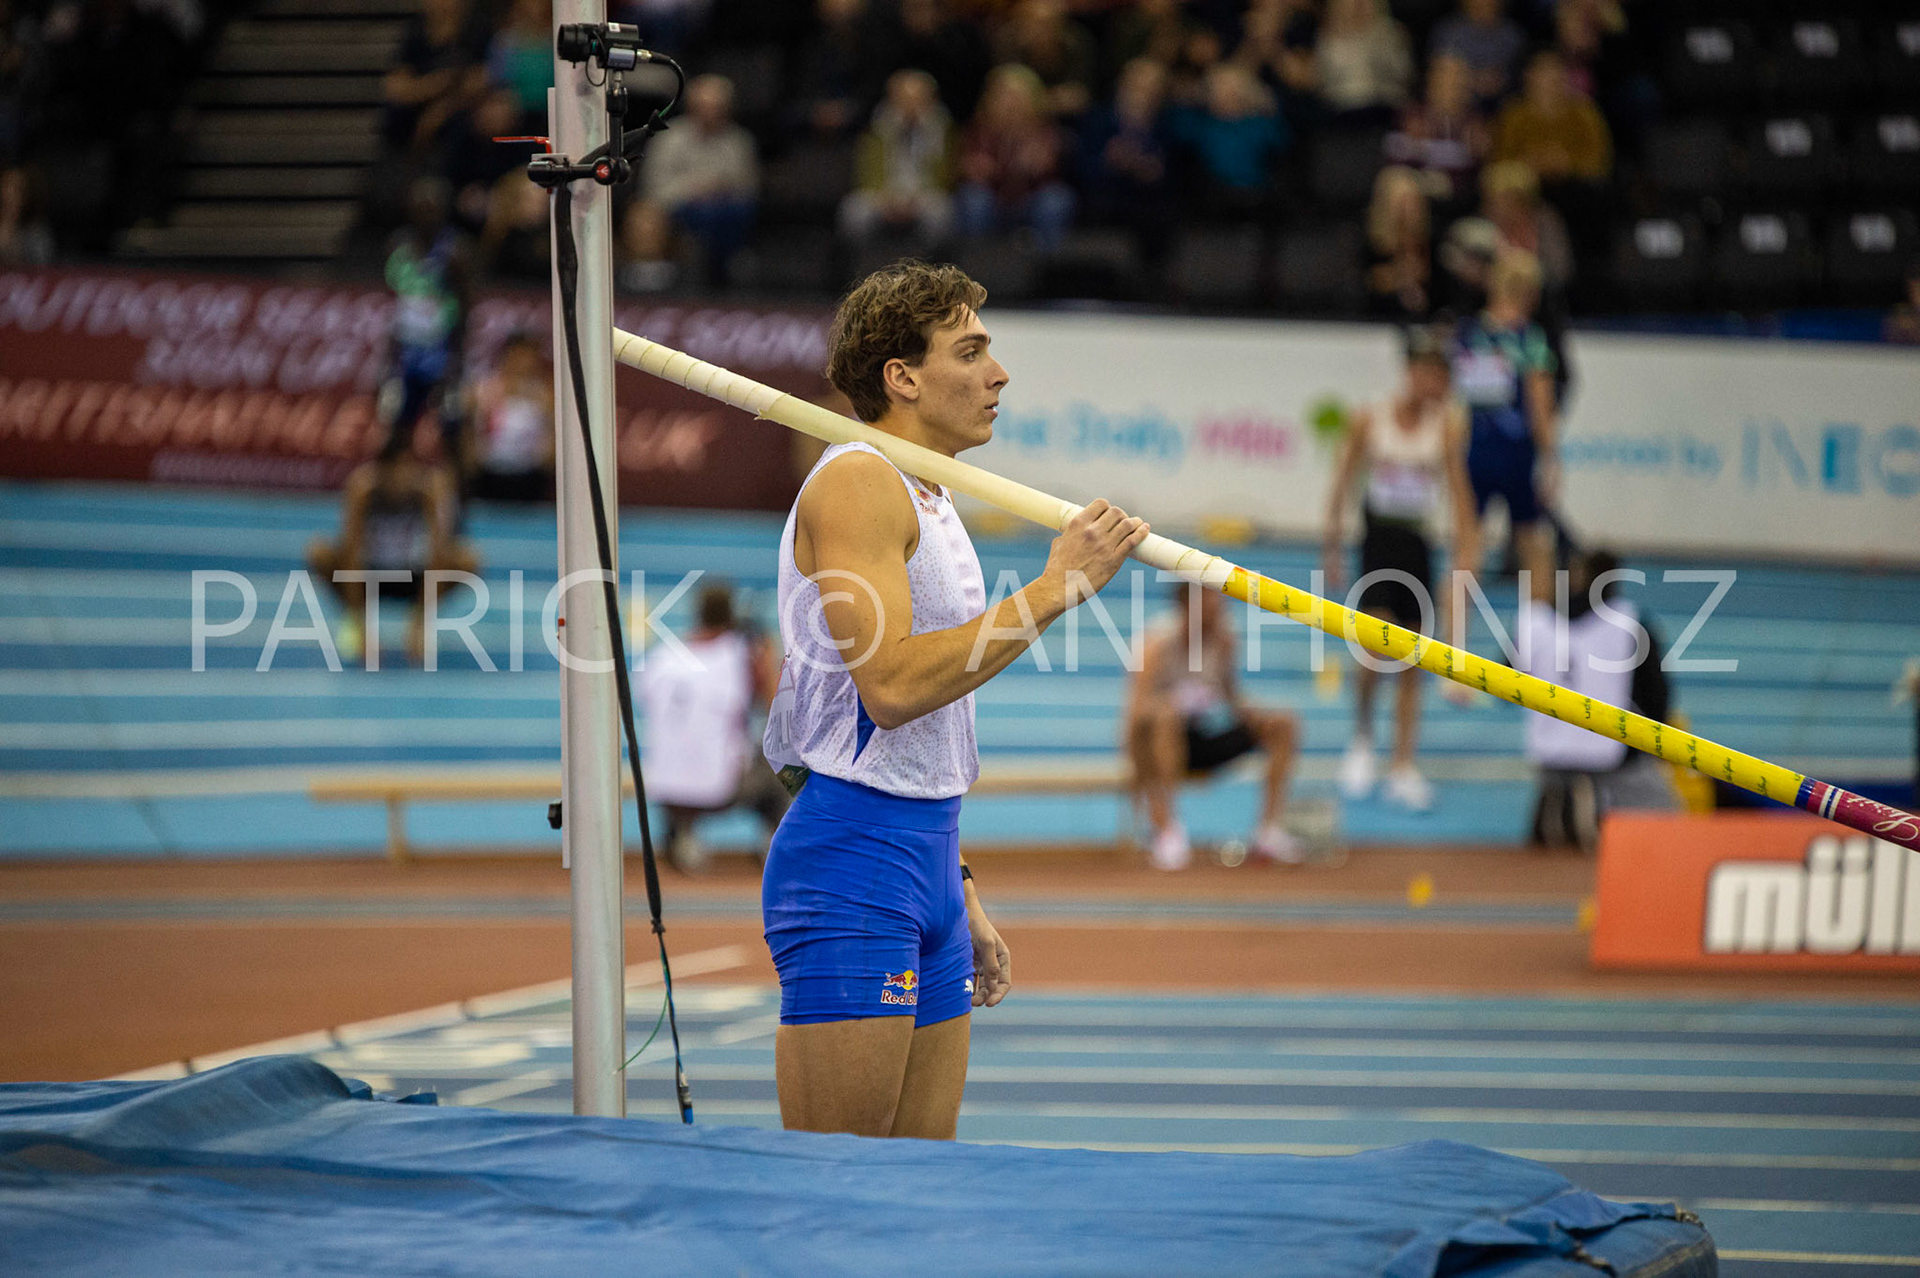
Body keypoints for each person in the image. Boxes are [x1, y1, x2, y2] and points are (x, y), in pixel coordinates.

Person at [761, 260, 1149, 1139]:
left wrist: (959, 885)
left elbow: (922, 732)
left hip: (926, 856)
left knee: (919, 1194)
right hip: (855, 862)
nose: (998, 373)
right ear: (901, 377)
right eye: (970, 351)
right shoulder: (858, 480)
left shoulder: (933, 495)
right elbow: (892, 686)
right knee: (841, 1194)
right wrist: (1054, 590)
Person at [1322, 328, 1477, 811]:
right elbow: (1343, 482)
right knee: (1372, 650)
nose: (1435, 387)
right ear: (1412, 374)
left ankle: (1404, 763)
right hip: (1376, 541)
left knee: (1414, 657)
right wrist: (1332, 545)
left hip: (1417, 544)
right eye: (1428, 376)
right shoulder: (1370, 418)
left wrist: (1467, 544)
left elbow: (1458, 490)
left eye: (1443, 379)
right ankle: (1364, 742)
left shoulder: (1447, 427)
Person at [1127, 581, 1301, 871]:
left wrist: (1259, 717)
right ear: (1188, 604)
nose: (1220, 607)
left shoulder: (1224, 641)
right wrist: (1137, 770)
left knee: (1283, 723)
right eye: (1211, 601)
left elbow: (1232, 698)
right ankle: (1168, 830)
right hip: (1161, 743)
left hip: (1205, 737)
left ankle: (1268, 830)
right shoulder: (1156, 644)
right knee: (1165, 718)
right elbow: (1135, 714)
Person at [1517, 547, 1675, 852]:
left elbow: (1505, 680)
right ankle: (1595, 805)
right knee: (1668, 824)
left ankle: (1559, 802)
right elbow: (1657, 697)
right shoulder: (1632, 623)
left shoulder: (1532, 621)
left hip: (1548, 753)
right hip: (1614, 755)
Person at [637, 582, 789, 873]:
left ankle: (682, 835)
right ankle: (774, 841)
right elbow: (774, 710)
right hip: (721, 788)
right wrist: (767, 656)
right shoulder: (741, 655)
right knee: (784, 763)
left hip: (664, 787)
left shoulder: (660, 657)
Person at [307, 419, 479, 668]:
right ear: (382, 470)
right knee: (319, 552)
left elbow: (438, 554)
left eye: (408, 469)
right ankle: (352, 622)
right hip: (371, 575)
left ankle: (418, 618)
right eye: (395, 471)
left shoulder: (428, 491)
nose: (402, 478)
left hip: (412, 576)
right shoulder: (363, 490)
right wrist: (361, 629)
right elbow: (351, 557)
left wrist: (420, 626)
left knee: (467, 559)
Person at [1451, 248, 1558, 591]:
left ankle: (1453, 639)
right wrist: (1551, 459)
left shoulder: (1467, 335)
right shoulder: (1530, 339)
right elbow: (1539, 406)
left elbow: (1453, 403)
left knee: (1467, 548)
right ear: (1529, 291)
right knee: (1532, 547)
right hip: (1515, 454)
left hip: (1475, 452)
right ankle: (1541, 638)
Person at [380, 178, 473, 473]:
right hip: (407, 357)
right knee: (396, 432)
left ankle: (458, 513)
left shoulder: (453, 252)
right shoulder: (397, 247)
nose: (425, 215)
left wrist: (455, 365)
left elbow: (465, 309)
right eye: (420, 208)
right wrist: (388, 360)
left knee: (451, 436)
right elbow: (395, 306)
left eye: (432, 208)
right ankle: (390, 499)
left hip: (441, 357)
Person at [639, 73, 759, 284]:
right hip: (679, 207)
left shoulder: (739, 142)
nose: (710, 112)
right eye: (704, 105)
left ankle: (726, 273)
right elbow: (654, 187)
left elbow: (749, 187)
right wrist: (695, 188)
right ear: (691, 105)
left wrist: (718, 189)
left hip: (726, 211)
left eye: (717, 106)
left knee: (735, 211)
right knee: (647, 215)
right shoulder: (670, 138)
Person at [955, 63, 1075, 251]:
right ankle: (977, 263)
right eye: (1005, 96)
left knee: (1056, 200)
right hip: (993, 199)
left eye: (1018, 96)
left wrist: (1041, 165)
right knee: (974, 199)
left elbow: (1055, 172)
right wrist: (974, 170)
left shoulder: (1046, 131)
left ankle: (1048, 266)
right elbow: (966, 168)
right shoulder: (979, 131)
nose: (1012, 103)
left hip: (1032, 199)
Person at [839, 68, 956, 250]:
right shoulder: (876, 129)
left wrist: (914, 200)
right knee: (853, 211)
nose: (910, 105)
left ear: (931, 100)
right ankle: (863, 269)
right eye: (904, 99)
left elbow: (946, 176)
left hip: (923, 196)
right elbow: (866, 172)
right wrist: (887, 199)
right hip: (883, 195)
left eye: (917, 99)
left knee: (941, 212)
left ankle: (931, 270)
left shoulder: (943, 129)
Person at [463, 332, 553, 503]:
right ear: (507, 357)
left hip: (531, 478)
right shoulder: (484, 389)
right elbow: (469, 435)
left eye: (529, 358)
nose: (524, 364)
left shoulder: (545, 394)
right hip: (489, 475)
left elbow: (552, 444)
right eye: (519, 357)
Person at [1364, 164, 1432, 320]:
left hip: (1422, 322)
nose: (1407, 208)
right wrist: (1400, 277)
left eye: (1412, 201)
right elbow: (1366, 283)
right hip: (1376, 321)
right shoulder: (1372, 242)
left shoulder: (1427, 241)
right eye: (1401, 201)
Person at [1429, 0, 1527, 107]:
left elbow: (1520, 78)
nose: (1484, 3)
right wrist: (1473, 80)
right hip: (1459, 104)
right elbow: (1440, 75)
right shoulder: (1448, 32)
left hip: (1503, 104)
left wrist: (1501, 81)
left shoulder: (1513, 36)